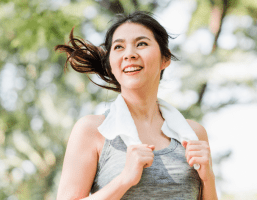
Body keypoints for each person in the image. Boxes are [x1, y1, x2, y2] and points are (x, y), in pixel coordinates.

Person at [55, 11, 218, 199]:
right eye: (119, 47)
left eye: (141, 44)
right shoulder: (93, 130)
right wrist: (124, 179)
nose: (129, 54)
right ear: (110, 64)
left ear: (165, 58)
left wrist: (208, 179)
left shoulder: (193, 134)